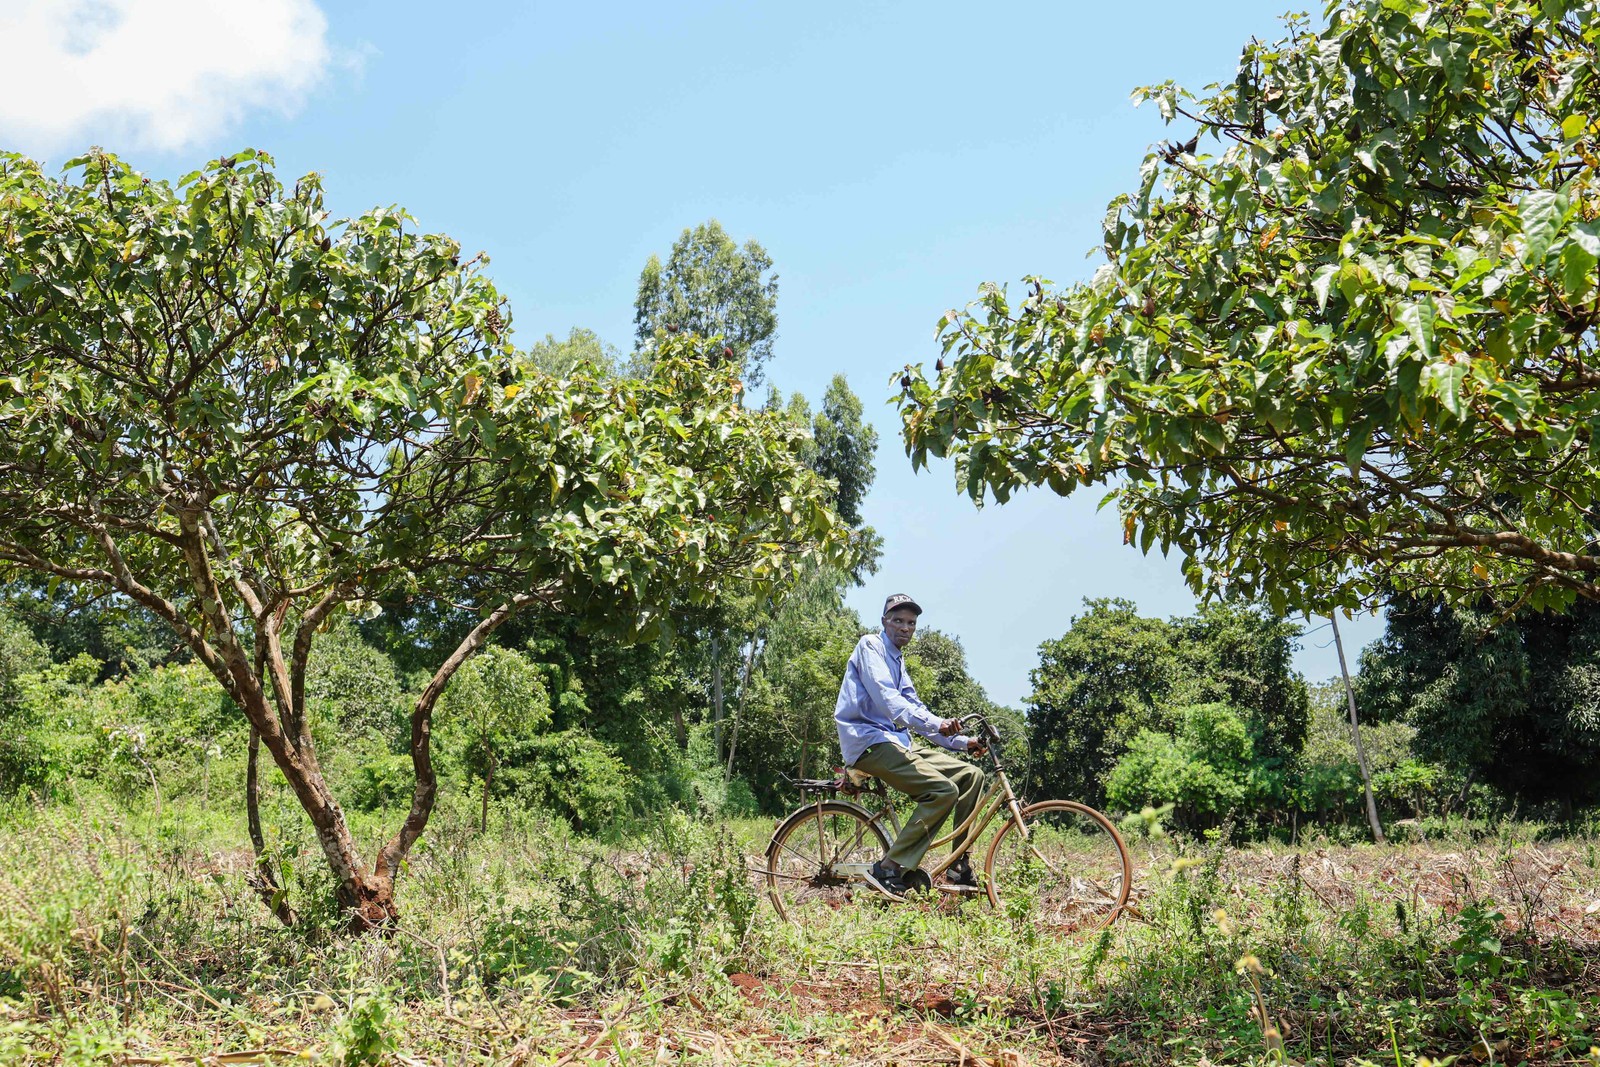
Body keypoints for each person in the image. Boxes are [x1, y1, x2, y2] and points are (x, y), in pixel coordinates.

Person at [834, 593, 988, 897]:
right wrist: (936, 723)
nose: (905, 627)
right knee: (944, 791)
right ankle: (889, 867)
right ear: (884, 622)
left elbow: (918, 710)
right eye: (898, 620)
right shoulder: (871, 646)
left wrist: (963, 741)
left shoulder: (898, 661)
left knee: (972, 777)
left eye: (911, 623)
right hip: (869, 742)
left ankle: (958, 865)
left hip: (897, 742)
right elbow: (890, 702)